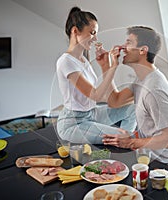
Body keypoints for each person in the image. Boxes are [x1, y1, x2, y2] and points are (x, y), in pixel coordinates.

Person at [102, 26, 168, 174]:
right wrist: (108, 68)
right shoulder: (142, 79)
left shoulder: (154, 89)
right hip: (150, 159)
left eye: (129, 43)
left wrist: (131, 142)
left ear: (143, 50)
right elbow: (114, 101)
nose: (123, 47)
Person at [56, 7, 136, 144]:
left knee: (133, 110)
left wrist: (105, 67)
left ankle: (122, 142)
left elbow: (103, 96)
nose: (96, 38)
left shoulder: (83, 60)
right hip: (74, 123)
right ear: (75, 31)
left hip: (92, 114)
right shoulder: (65, 62)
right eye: (92, 32)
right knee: (124, 137)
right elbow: (95, 95)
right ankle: (123, 142)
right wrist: (112, 67)